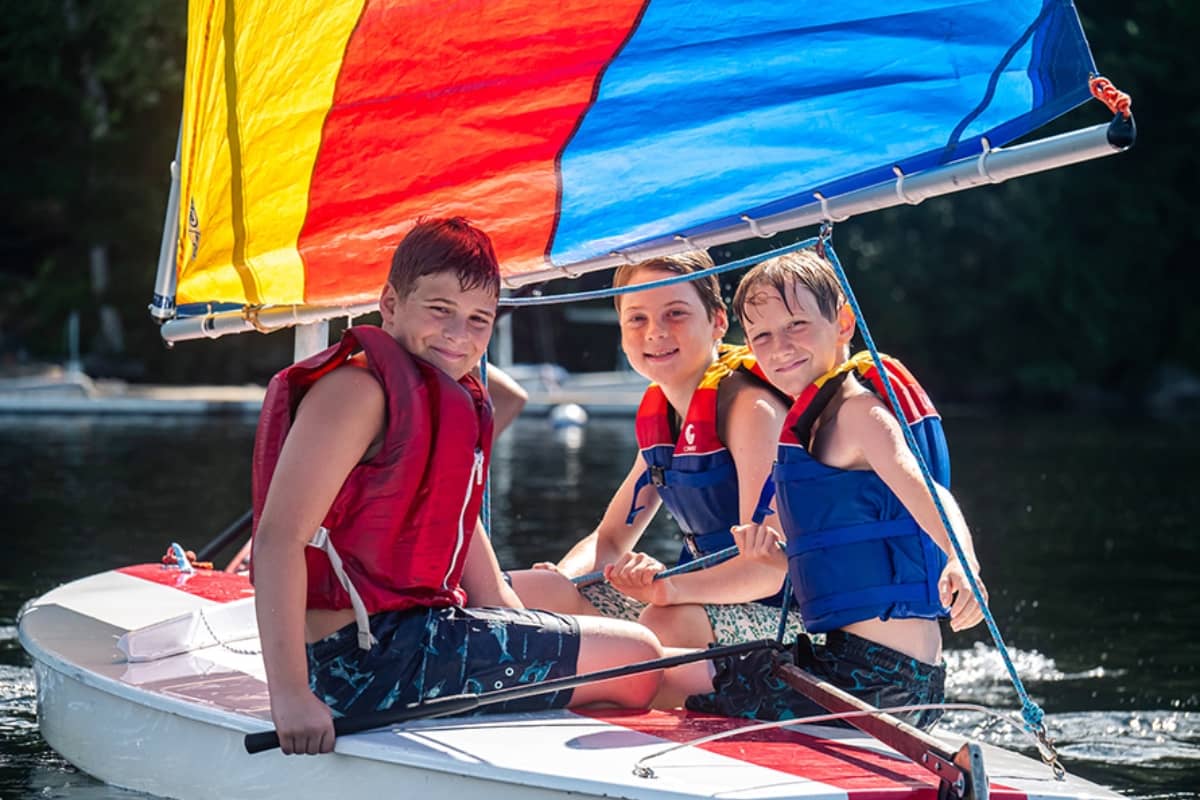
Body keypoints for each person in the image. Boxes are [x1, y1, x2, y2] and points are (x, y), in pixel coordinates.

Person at [251, 217, 663, 756]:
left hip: (412, 632)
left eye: (478, 321)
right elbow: (278, 540)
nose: (457, 336)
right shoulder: (356, 392)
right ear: (391, 305)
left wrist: (517, 620)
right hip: (361, 663)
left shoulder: (442, 399)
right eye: (439, 311)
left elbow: (468, 551)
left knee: (556, 593)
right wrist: (290, 696)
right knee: (642, 659)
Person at [671, 248, 988, 730]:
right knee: (683, 663)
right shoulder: (812, 429)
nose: (779, 347)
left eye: (796, 325)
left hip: (877, 681)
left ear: (842, 324)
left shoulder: (857, 412)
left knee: (668, 679)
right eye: (762, 336)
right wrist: (773, 553)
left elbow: (925, 488)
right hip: (861, 671)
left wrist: (961, 559)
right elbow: (822, 560)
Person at [509, 251, 802, 681]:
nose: (656, 332)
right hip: (686, 603)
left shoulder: (750, 410)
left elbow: (767, 569)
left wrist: (667, 588)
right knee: (540, 590)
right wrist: (566, 577)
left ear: (718, 322)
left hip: (790, 627)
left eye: (676, 313)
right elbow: (610, 539)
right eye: (637, 319)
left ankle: (597, 698)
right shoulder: (663, 415)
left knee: (663, 626)